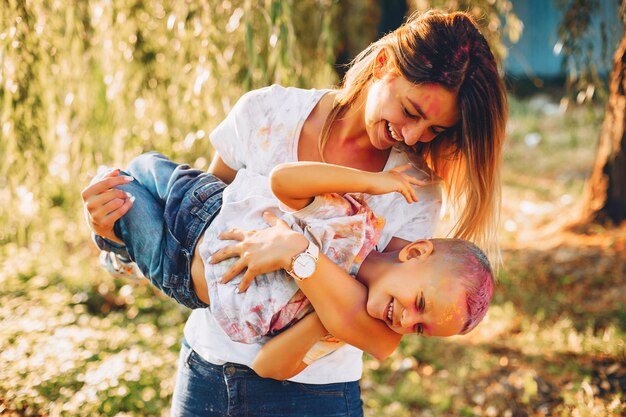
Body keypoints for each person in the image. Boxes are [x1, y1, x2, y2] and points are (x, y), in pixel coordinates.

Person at [82, 10, 507, 417]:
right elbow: (194, 228)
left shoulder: (415, 190)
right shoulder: (267, 113)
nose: (414, 135)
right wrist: (115, 239)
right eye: (412, 112)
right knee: (138, 180)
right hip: (203, 373)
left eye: (435, 130)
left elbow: (377, 331)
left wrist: (298, 254)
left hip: (311, 399)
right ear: (383, 64)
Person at [87, 152, 494, 381]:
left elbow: (268, 365)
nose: (406, 321)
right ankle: (114, 248)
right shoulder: (353, 225)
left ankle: (117, 251)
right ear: (414, 253)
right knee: (134, 169)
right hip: (205, 207)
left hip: (178, 268)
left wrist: (331, 320)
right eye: (420, 302)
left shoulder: (343, 325)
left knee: (122, 195)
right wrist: (372, 181)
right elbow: (284, 182)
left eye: (420, 329)